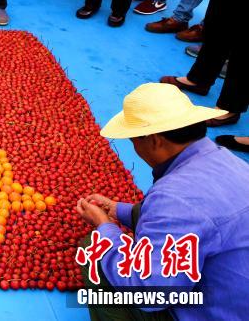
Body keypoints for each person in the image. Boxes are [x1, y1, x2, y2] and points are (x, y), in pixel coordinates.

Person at [77, 82, 249, 321]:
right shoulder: (227, 161)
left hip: (209, 312)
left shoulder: (173, 198)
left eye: (134, 139)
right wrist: (118, 210)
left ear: (155, 140)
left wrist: (105, 228)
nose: (134, 146)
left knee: (93, 249)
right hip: (235, 298)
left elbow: (152, 293)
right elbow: (191, 217)